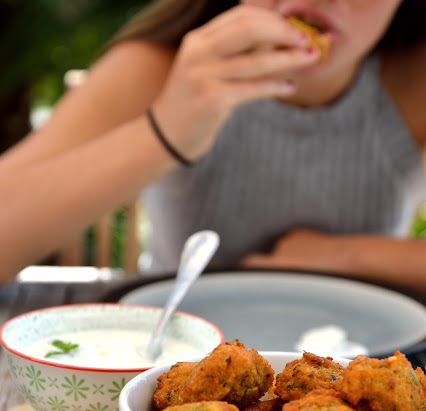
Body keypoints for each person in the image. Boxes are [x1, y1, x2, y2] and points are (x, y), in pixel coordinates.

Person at [0, 0, 425, 293]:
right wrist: (163, 133)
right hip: (172, 363)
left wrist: (343, 256)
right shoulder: (159, 65)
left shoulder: (413, 79)